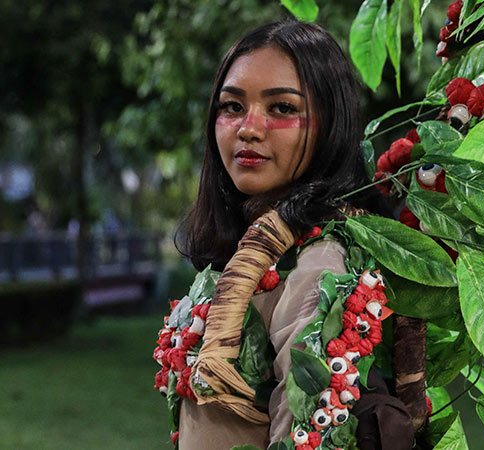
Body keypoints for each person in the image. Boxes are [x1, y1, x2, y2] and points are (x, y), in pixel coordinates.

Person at [171, 20, 387, 449]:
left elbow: (308, 435)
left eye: (282, 108)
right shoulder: (257, 246)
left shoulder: (318, 263)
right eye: (232, 106)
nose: (248, 128)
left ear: (330, 124)